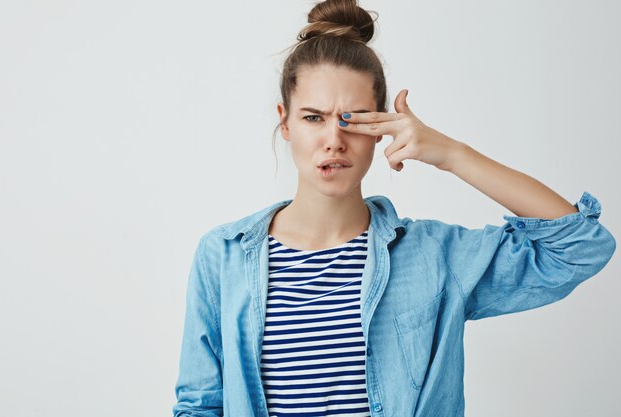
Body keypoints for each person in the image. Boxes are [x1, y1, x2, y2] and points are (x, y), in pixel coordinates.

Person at [171, 1, 616, 416]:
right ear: (283, 122)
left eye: (353, 119)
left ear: (381, 125)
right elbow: (199, 405)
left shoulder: (434, 255)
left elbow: (579, 247)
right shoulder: (223, 256)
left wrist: (452, 154)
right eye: (313, 117)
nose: (334, 139)